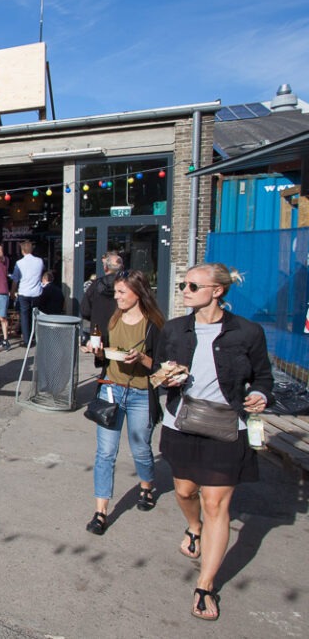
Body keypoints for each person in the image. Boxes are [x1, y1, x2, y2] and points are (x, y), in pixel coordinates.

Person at [154, 263, 272, 621]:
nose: (184, 290)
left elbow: (263, 377)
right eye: (182, 284)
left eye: (192, 285)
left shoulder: (247, 333)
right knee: (186, 491)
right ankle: (194, 527)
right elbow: (159, 370)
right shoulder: (174, 329)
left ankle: (205, 585)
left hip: (226, 426)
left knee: (216, 503)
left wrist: (261, 396)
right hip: (182, 422)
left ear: (217, 291)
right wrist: (166, 378)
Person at [78, 270, 164, 539]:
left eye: (121, 292)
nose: (116, 297)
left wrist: (142, 359)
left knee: (140, 449)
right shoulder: (113, 319)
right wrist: (96, 351)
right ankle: (101, 511)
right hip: (111, 391)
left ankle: (147, 486)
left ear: (138, 292)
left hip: (140, 394)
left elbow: (163, 368)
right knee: (105, 453)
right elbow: (105, 355)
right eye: (115, 292)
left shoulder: (154, 325)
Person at [81, 253, 125, 346]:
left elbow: (85, 311)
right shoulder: (127, 286)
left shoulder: (95, 285)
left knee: (101, 358)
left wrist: (95, 317)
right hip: (120, 331)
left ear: (105, 268)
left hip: (99, 333)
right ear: (122, 267)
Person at [10, 240, 45, 346]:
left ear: (22, 250)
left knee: (24, 316)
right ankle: (38, 336)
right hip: (37, 292)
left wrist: (12, 292)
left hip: (24, 292)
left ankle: (27, 340)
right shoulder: (40, 261)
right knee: (36, 315)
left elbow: (15, 279)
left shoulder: (19, 263)